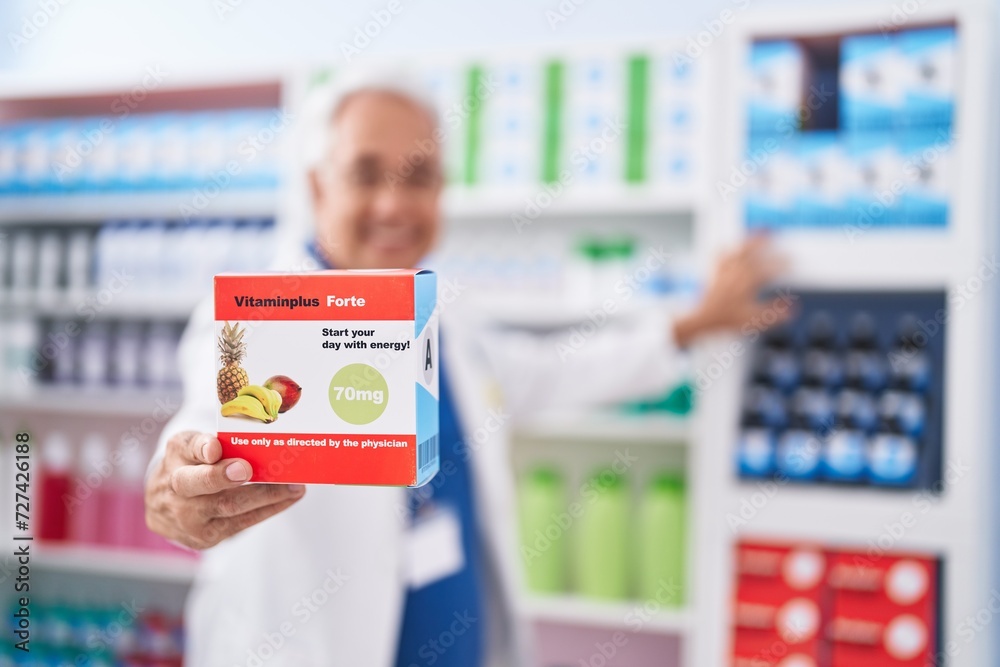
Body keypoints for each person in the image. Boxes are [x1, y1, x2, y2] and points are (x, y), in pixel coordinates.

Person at [144, 71, 788, 666]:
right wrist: (178, 490)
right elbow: (202, 428)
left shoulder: (443, 316)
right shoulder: (260, 319)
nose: (395, 205)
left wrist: (693, 324)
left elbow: (550, 371)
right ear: (318, 186)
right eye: (367, 174)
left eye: (418, 176)